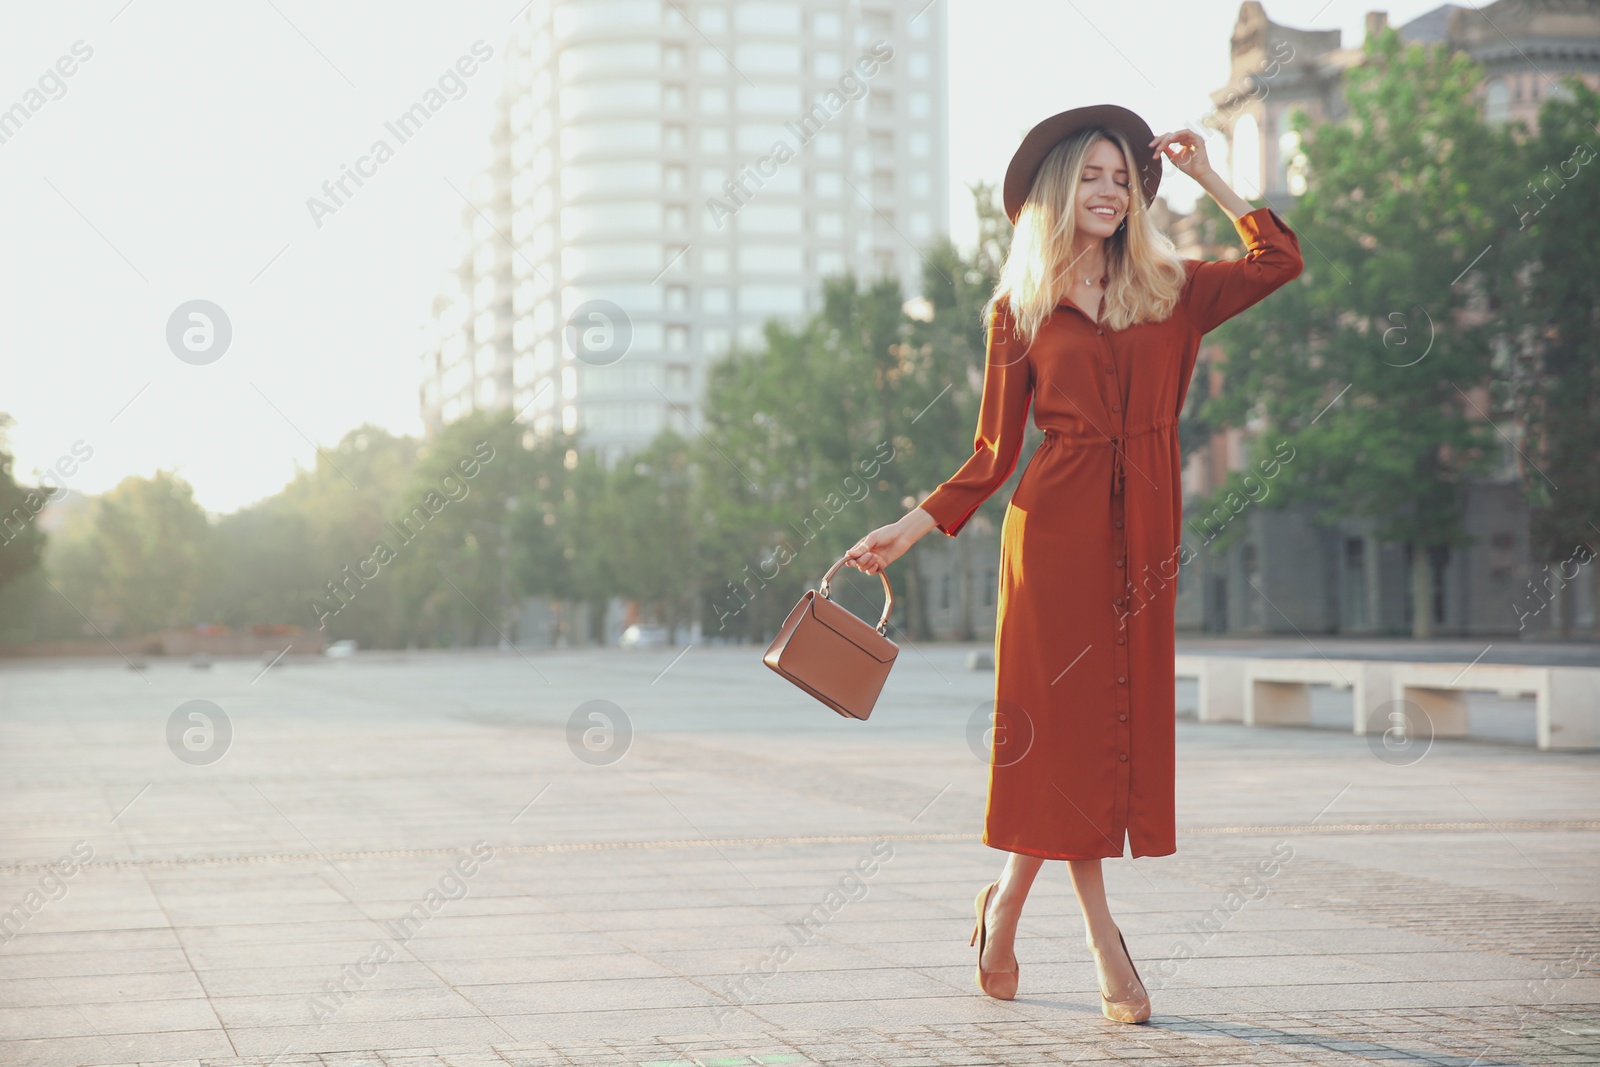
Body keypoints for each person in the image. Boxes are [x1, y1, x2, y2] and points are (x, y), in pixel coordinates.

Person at [844, 104, 1303, 1023]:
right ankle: (1106, 945)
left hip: (1143, 534)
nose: (1109, 191)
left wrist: (1210, 176)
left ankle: (1004, 905)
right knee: (1067, 730)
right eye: (1092, 176)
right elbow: (989, 452)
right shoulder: (1018, 309)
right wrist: (908, 526)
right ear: (1059, 193)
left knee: (1099, 731)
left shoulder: (1175, 288)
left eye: (1123, 178)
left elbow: (1279, 261)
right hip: (1051, 534)